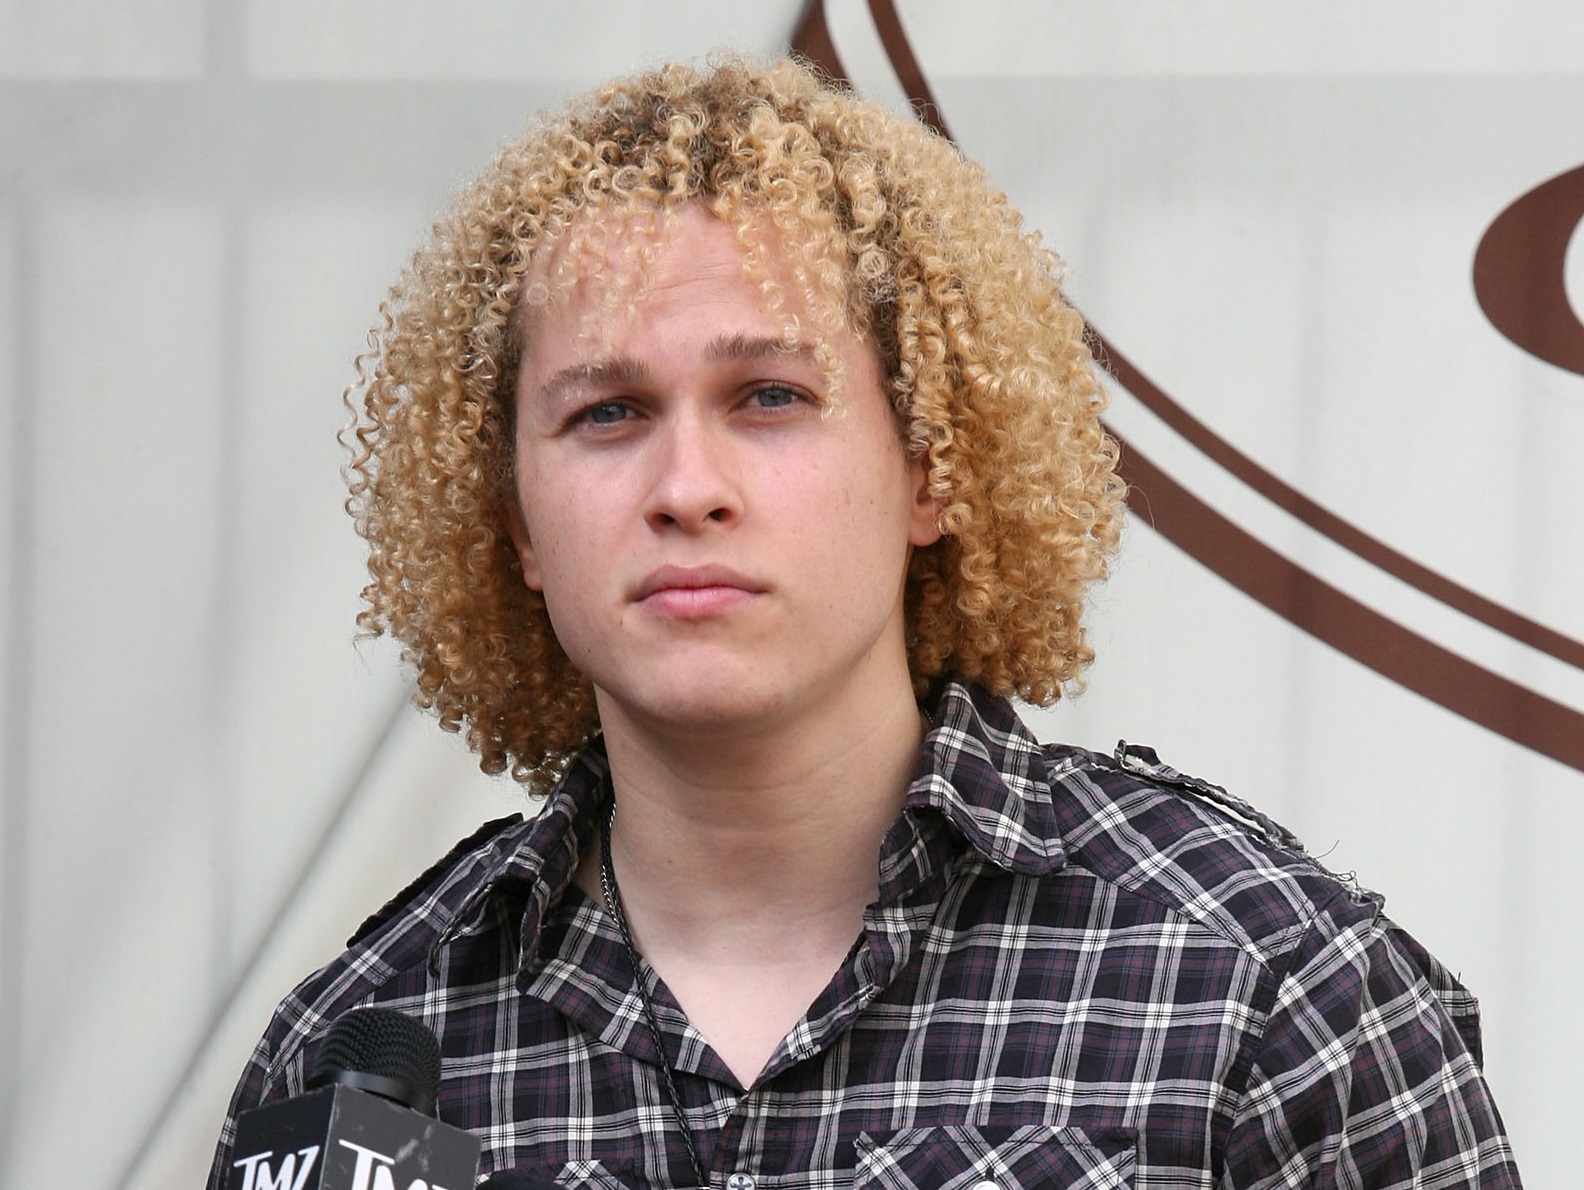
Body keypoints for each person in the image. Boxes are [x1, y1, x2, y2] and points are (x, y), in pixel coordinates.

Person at [209, 56, 1522, 1189]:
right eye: (605, 412)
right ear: (515, 523)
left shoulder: (1258, 981)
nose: (686, 488)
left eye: (769, 396)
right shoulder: (367, 1040)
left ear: (935, 467)